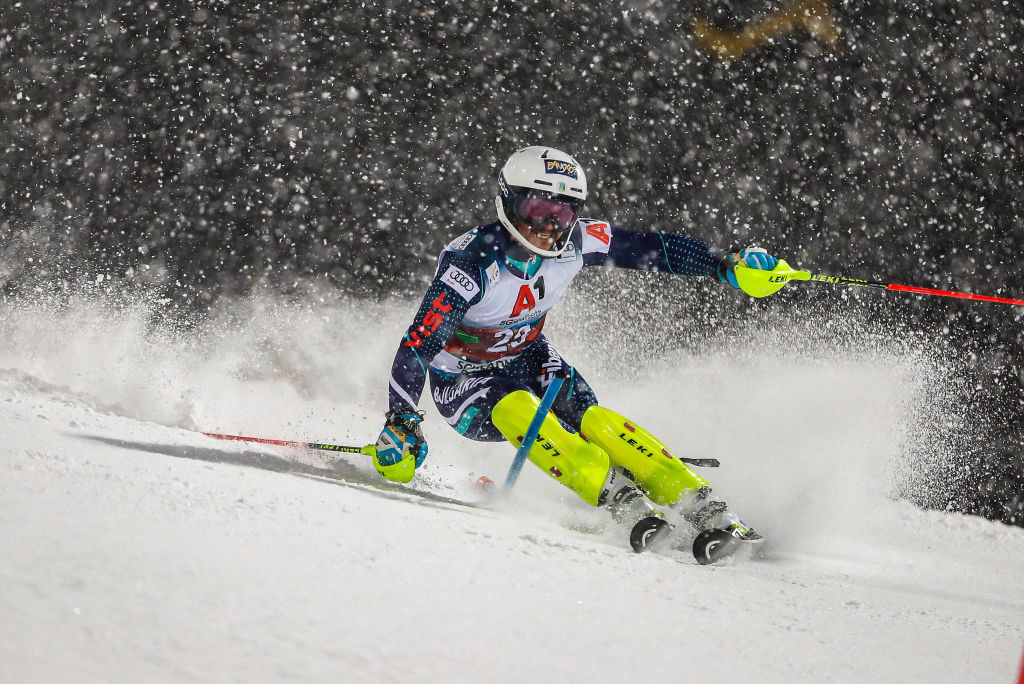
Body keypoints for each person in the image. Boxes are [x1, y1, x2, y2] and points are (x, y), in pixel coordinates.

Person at [373, 145, 782, 558]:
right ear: (510, 202)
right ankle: (620, 501)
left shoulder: (578, 240)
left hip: (528, 358)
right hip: (462, 380)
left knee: (595, 420)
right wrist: (403, 419)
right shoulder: (471, 263)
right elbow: (418, 344)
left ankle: (707, 507)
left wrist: (725, 265)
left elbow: (655, 248)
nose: (550, 226)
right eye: (538, 209)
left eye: (564, 213)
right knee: (518, 408)